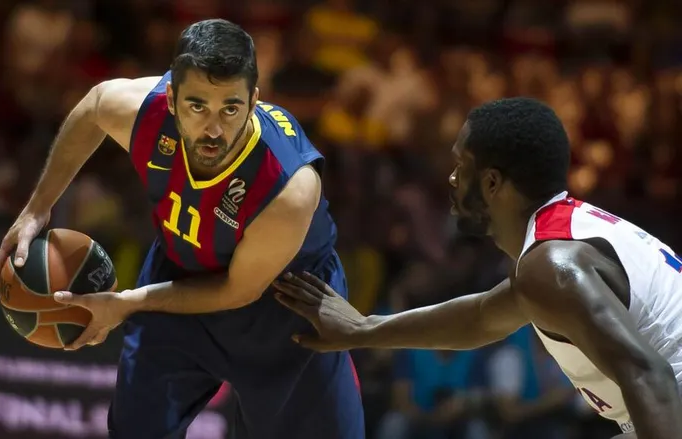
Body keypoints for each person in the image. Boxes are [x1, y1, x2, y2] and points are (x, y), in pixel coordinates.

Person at [0, 19, 363, 439]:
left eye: (231, 108)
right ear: (171, 98)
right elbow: (93, 106)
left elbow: (237, 291)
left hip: (286, 310)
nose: (213, 129)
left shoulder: (289, 187)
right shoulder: (142, 111)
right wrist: (38, 208)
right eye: (197, 106)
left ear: (254, 101)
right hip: (179, 277)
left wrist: (127, 303)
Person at [273, 97, 682, 439]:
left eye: (461, 165)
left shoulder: (552, 266)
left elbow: (651, 378)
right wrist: (363, 329)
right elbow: (481, 317)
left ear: (491, 183)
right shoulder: (557, 247)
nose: (451, 178)